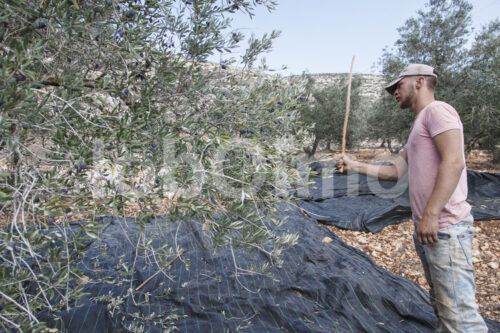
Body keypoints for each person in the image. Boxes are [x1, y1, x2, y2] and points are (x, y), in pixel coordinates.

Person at [336, 64, 488, 333]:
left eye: (398, 84)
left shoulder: (437, 111)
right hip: (430, 230)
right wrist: (354, 165)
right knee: (444, 310)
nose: (394, 91)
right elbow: (395, 172)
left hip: (445, 227)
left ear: (419, 81)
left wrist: (430, 215)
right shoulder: (419, 125)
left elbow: (454, 162)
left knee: (461, 320)